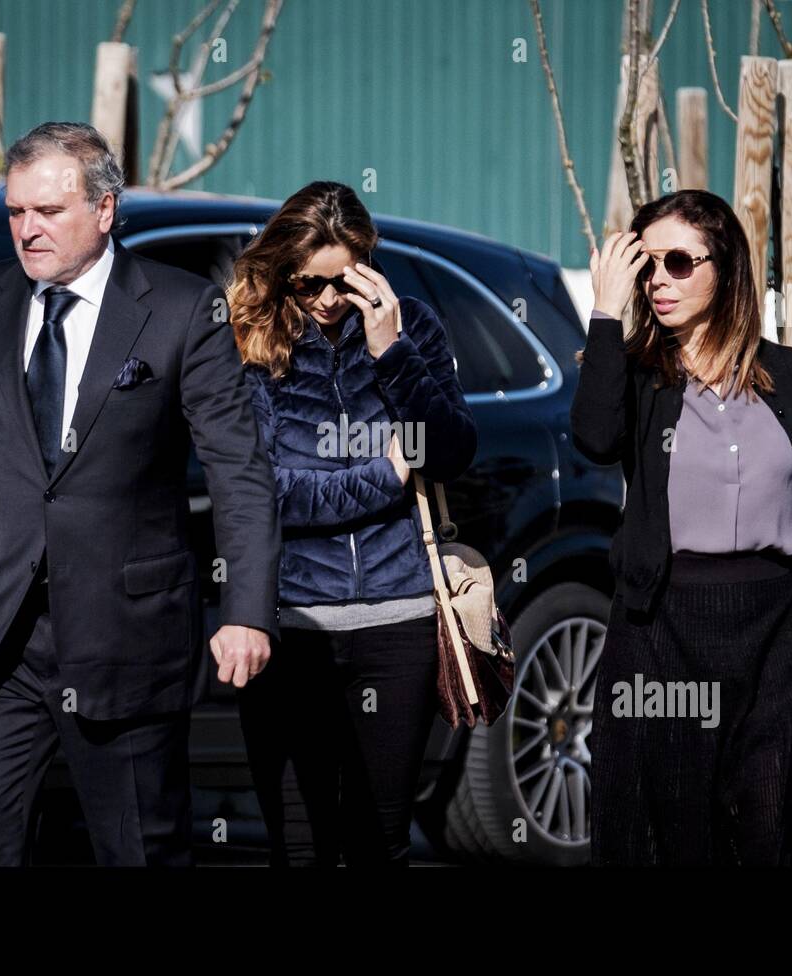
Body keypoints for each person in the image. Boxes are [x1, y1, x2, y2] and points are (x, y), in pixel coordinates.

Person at [0, 121, 280, 866]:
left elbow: (239, 471)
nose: (27, 230)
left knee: (140, 850)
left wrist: (247, 611)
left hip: (126, 636)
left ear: (104, 210)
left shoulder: (182, 310)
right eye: (15, 212)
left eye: (48, 212)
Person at [571, 188, 792, 866]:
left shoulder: (791, 377)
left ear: (726, 266)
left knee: (768, 827)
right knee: (681, 834)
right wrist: (604, 311)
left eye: (679, 261)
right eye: (647, 264)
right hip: (664, 633)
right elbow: (593, 438)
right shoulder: (639, 374)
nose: (659, 281)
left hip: (773, 637)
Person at [226, 180, 477, 865]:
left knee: (378, 843)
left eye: (346, 280)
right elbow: (263, 493)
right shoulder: (252, 342)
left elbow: (450, 452)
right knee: (303, 849)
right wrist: (383, 475)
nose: (330, 301)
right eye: (310, 285)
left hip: (398, 624)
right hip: (292, 627)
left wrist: (390, 352)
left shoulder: (411, 326)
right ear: (282, 274)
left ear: (370, 265)